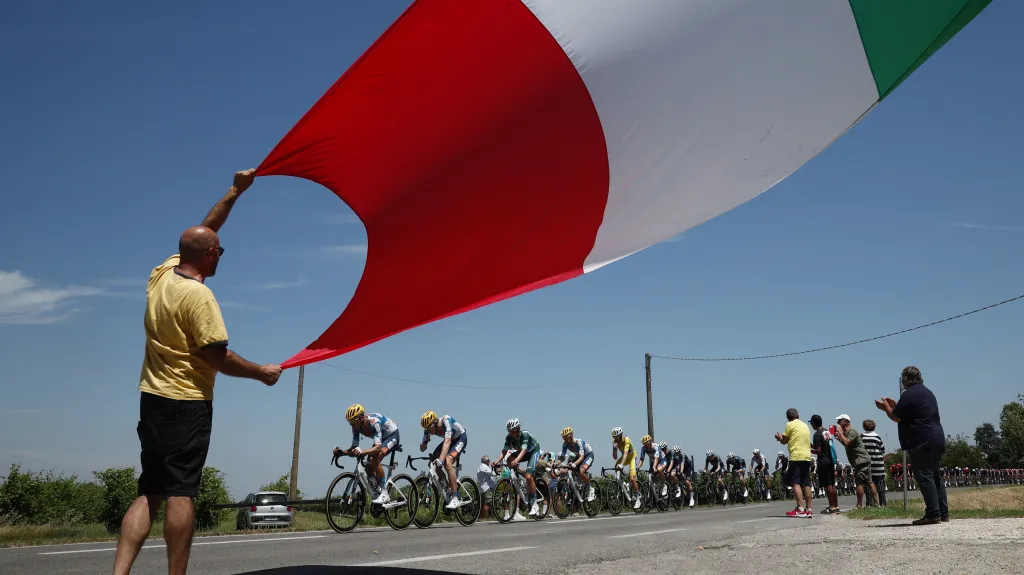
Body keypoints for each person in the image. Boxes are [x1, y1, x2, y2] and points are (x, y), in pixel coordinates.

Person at [113, 169, 283, 575]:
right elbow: (216, 358)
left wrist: (235, 192)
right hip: (186, 404)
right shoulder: (199, 297)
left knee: (148, 491)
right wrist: (261, 372)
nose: (220, 255)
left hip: (151, 400)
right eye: (219, 251)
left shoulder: (161, 276)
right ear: (208, 256)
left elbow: (205, 229)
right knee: (180, 494)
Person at [876, 365, 948, 525]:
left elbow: (896, 417)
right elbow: (909, 412)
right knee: (936, 476)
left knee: (924, 476)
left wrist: (886, 408)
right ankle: (943, 513)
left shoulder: (909, 394)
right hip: (937, 437)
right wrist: (896, 405)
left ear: (905, 379)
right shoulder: (927, 392)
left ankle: (933, 514)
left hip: (921, 440)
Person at [338, 404, 400, 504]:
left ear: (361, 418)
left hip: (392, 435)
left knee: (374, 459)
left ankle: (385, 493)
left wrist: (362, 451)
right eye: (350, 422)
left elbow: (378, 448)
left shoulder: (374, 422)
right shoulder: (356, 428)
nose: (352, 425)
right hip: (381, 439)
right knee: (368, 465)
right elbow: (354, 448)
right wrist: (342, 452)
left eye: (353, 422)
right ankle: (378, 489)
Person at [419, 411, 467, 509]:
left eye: (429, 428)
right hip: (449, 440)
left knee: (447, 462)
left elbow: (447, 441)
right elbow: (422, 449)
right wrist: (424, 442)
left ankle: (455, 498)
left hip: (460, 438)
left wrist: (441, 459)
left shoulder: (446, 421)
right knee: (432, 463)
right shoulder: (428, 430)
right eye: (426, 428)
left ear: (435, 423)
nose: (428, 430)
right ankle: (447, 486)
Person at [498, 418, 542, 517]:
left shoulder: (525, 434)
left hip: (533, 451)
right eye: (509, 431)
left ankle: (535, 503)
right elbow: (504, 451)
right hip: (524, 453)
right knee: (509, 458)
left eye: (512, 430)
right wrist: (496, 462)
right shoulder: (509, 438)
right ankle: (519, 474)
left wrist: (516, 461)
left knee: (528, 477)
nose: (511, 433)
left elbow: (524, 450)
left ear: (518, 429)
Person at [775, 407, 813, 517]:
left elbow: (784, 441)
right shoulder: (805, 425)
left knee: (795, 483)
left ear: (788, 418)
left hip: (796, 456)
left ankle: (800, 509)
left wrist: (779, 438)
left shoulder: (790, 424)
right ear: (798, 415)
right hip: (807, 456)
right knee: (806, 483)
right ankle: (809, 509)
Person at [833, 414, 874, 508]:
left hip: (861, 459)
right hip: (858, 460)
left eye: (840, 420)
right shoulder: (847, 432)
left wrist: (840, 433)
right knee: (868, 482)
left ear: (846, 421)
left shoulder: (852, 431)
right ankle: (876, 503)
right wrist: (839, 438)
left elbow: (847, 442)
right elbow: (846, 444)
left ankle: (860, 505)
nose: (838, 422)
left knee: (860, 482)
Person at [556, 427, 597, 502]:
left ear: (571, 436)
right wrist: (556, 464)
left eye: (566, 437)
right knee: (569, 467)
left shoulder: (578, 442)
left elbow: (581, 457)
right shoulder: (565, 444)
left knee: (581, 471)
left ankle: (591, 489)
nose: (564, 439)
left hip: (588, 455)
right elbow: (562, 458)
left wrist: (574, 464)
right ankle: (579, 482)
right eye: (563, 437)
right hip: (579, 456)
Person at [809, 415, 839, 514]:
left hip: (823, 461)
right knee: (832, 484)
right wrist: (812, 446)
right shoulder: (827, 432)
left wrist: (809, 450)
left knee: (828, 485)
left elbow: (818, 450)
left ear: (814, 423)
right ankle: (836, 505)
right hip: (830, 459)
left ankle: (831, 506)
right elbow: (825, 445)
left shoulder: (817, 434)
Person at [611, 427, 642, 510]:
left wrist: (621, 464)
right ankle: (622, 483)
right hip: (624, 458)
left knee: (632, 479)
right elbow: (615, 457)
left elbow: (625, 453)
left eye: (616, 437)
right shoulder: (614, 442)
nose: (615, 439)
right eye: (614, 437)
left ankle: (637, 495)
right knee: (616, 466)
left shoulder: (626, 440)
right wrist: (614, 449)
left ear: (621, 435)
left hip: (632, 457)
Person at [861, 419, 887, 506]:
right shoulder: (877, 437)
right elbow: (882, 449)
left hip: (867, 464)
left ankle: (869, 503)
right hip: (878, 463)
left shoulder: (862, 437)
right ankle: (883, 503)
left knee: (868, 484)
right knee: (880, 484)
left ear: (864, 427)